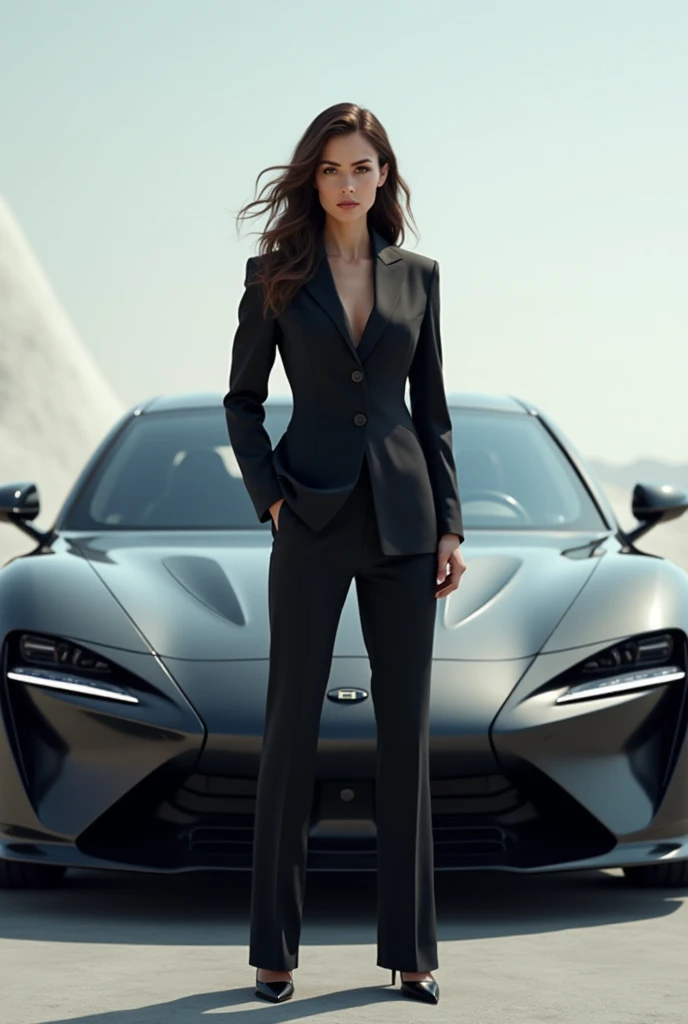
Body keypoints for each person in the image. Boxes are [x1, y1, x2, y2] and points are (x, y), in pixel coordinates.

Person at [223, 101, 467, 1006]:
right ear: (312, 179)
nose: (347, 183)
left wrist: (451, 523)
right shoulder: (275, 276)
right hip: (313, 521)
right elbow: (241, 402)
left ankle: (411, 952)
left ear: (383, 177)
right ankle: (273, 951)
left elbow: (432, 412)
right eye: (331, 169)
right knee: (293, 730)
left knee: (406, 738)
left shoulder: (421, 278)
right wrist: (272, 496)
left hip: (405, 523)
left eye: (362, 168)